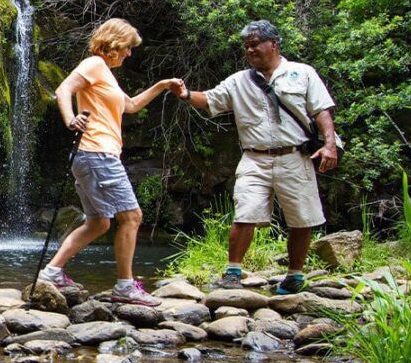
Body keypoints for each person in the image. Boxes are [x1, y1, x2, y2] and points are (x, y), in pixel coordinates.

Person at [174, 20, 339, 294]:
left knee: (301, 218)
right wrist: (186, 94)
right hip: (254, 158)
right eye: (246, 46)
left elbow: (322, 111)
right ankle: (233, 271)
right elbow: (211, 100)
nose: (250, 50)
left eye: (255, 45)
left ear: (273, 44)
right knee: (245, 212)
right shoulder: (239, 81)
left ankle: (295, 275)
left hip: (295, 156)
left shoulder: (302, 73)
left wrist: (330, 145)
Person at [38, 18, 180, 306]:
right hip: (97, 154)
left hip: (92, 156)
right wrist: (70, 119)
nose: (129, 54)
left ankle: (51, 272)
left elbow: (131, 106)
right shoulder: (93, 64)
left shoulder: (105, 73)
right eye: (128, 48)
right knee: (132, 216)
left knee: (99, 223)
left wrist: (162, 86)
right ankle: (125, 286)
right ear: (115, 44)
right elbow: (64, 90)